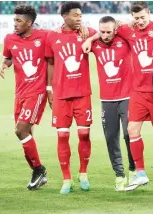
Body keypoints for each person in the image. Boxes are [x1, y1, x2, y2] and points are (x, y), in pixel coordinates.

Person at [82, 1, 153, 193]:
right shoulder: (128, 30)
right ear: (132, 17)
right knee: (132, 130)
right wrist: (91, 39)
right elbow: (109, 28)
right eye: (136, 18)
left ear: (149, 14)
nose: (140, 21)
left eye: (143, 17)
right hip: (137, 92)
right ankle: (141, 173)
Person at [45, 1, 97, 194]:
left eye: (81, 16)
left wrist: (91, 38)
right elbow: (50, 62)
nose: (79, 18)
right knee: (63, 136)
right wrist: (49, 88)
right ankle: (66, 179)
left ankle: (83, 173)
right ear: (65, 16)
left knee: (84, 134)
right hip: (61, 95)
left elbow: (106, 31)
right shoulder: (52, 36)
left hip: (82, 93)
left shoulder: (85, 32)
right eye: (76, 15)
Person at [0, 5, 48, 190]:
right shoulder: (10, 38)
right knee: (25, 134)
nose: (15, 23)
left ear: (29, 22)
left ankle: (39, 169)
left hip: (37, 91)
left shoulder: (43, 36)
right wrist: (4, 64)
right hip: (19, 92)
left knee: (20, 130)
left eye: (18, 21)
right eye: (14, 20)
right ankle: (37, 173)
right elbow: (9, 57)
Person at [90, 16, 136, 191]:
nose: (105, 35)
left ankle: (133, 170)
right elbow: (81, 33)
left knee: (129, 134)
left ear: (116, 30)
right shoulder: (95, 44)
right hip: (107, 100)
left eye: (109, 31)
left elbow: (130, 25)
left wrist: (122, 24)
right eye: (102, 32)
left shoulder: (125, 40)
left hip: (127, 97)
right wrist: (91, 38)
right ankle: (119, 175)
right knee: (111, 139)